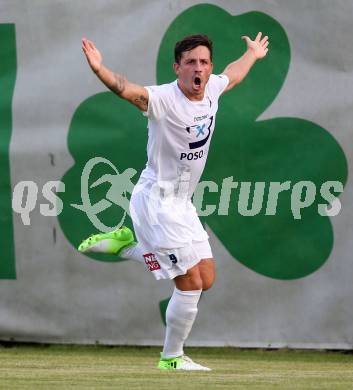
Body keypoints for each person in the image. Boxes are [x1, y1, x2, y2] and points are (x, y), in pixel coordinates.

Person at [79, 33, 269, 370]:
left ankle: (125, 247)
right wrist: (99, 70)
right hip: (156, 202)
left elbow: (235, 73)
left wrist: (251, 54)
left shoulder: (211, 88)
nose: (199, 68)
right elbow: (127, 89)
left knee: (206, 278)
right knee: (189, 282)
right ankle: (172, 358)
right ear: (177, 67)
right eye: (191, 62)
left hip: (182, 203)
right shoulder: (163, 99)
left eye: (204, 62)